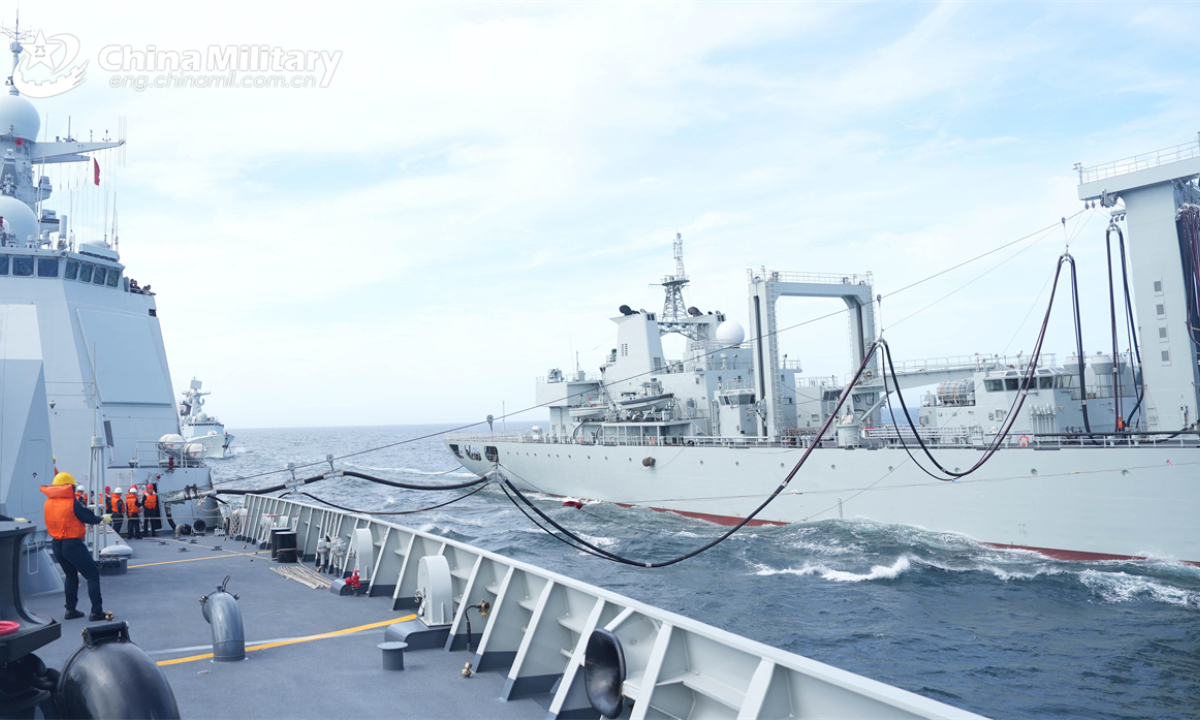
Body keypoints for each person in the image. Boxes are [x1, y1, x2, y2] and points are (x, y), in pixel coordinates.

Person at [40, 472, 112, 622]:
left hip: (56, 544)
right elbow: (87, 517)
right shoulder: (71, 503)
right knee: (92, 574)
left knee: (71, 575)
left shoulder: (48, 502)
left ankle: (70, 610)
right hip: (72, 544)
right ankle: (96, 612)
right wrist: (102, 518)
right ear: (69, 486)